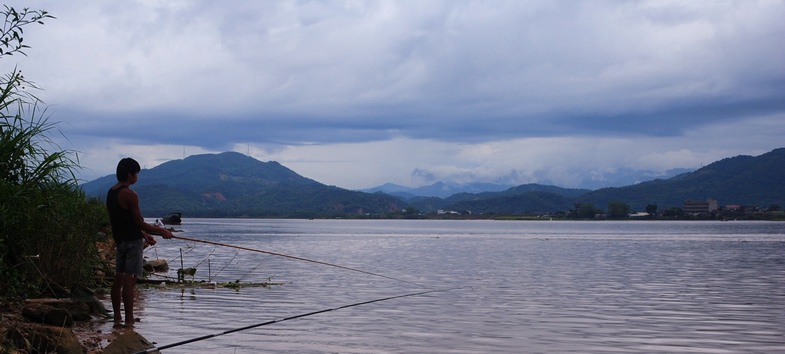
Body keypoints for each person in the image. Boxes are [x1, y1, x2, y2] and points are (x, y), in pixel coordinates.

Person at [107, 157, 174, 327]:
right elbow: (139, 222)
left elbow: (125, 221)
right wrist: (162, 231)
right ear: (130, 174)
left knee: (118, 279)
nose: (137, 177)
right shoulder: (130, 195)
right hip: (132, 243)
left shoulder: (111, 192)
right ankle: (129, 321)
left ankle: (117, 318)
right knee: (130, 281)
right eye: (136, 174)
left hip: (120, 241)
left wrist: (145, 235)